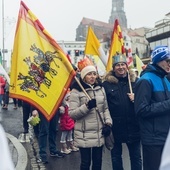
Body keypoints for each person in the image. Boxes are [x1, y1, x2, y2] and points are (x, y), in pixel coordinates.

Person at [69, 57, 112, 170]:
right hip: (84, 134)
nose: (92, 76)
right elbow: (72, 114)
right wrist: (87, 106)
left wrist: (108, 123)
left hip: (99, 132)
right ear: (83, 76)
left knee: (98, 163)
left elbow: (106, 109)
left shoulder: (100, 88)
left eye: (94, 74)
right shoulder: (76, 91)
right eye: (89, 74)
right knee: (85, 163)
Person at [102, 54, 142, 170]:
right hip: (116, 127)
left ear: (127, 66)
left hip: (133, 126)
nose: (120, 67)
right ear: (113, 68)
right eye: (117, 65)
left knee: (136, 157)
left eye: (123, 64)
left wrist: (137, 98)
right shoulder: (106, 84)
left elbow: (145, 101)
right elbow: (104, 105)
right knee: (116, 157)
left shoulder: (136, 82)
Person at [134, 45, 170, 170]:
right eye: (168, 61)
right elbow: (141, 110)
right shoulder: (145, 80)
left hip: (166, 137)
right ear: (158, 61)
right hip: (153, 139)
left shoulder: (165, 79)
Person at [59, 90, 79, 154]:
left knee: (70, 133)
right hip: (65, 121)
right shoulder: (64, 105)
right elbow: (61, 113)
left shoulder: (71, 104)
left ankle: (71, 145)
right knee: (64, 134)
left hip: (70, 120)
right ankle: (63, 147)